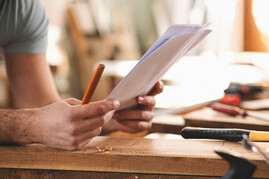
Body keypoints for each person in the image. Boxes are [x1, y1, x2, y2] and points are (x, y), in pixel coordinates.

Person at [0, 0, 163, 150]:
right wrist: (32, 125)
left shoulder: (24, 9)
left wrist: (104, 118)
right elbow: (37, 123)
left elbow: (39, 106)